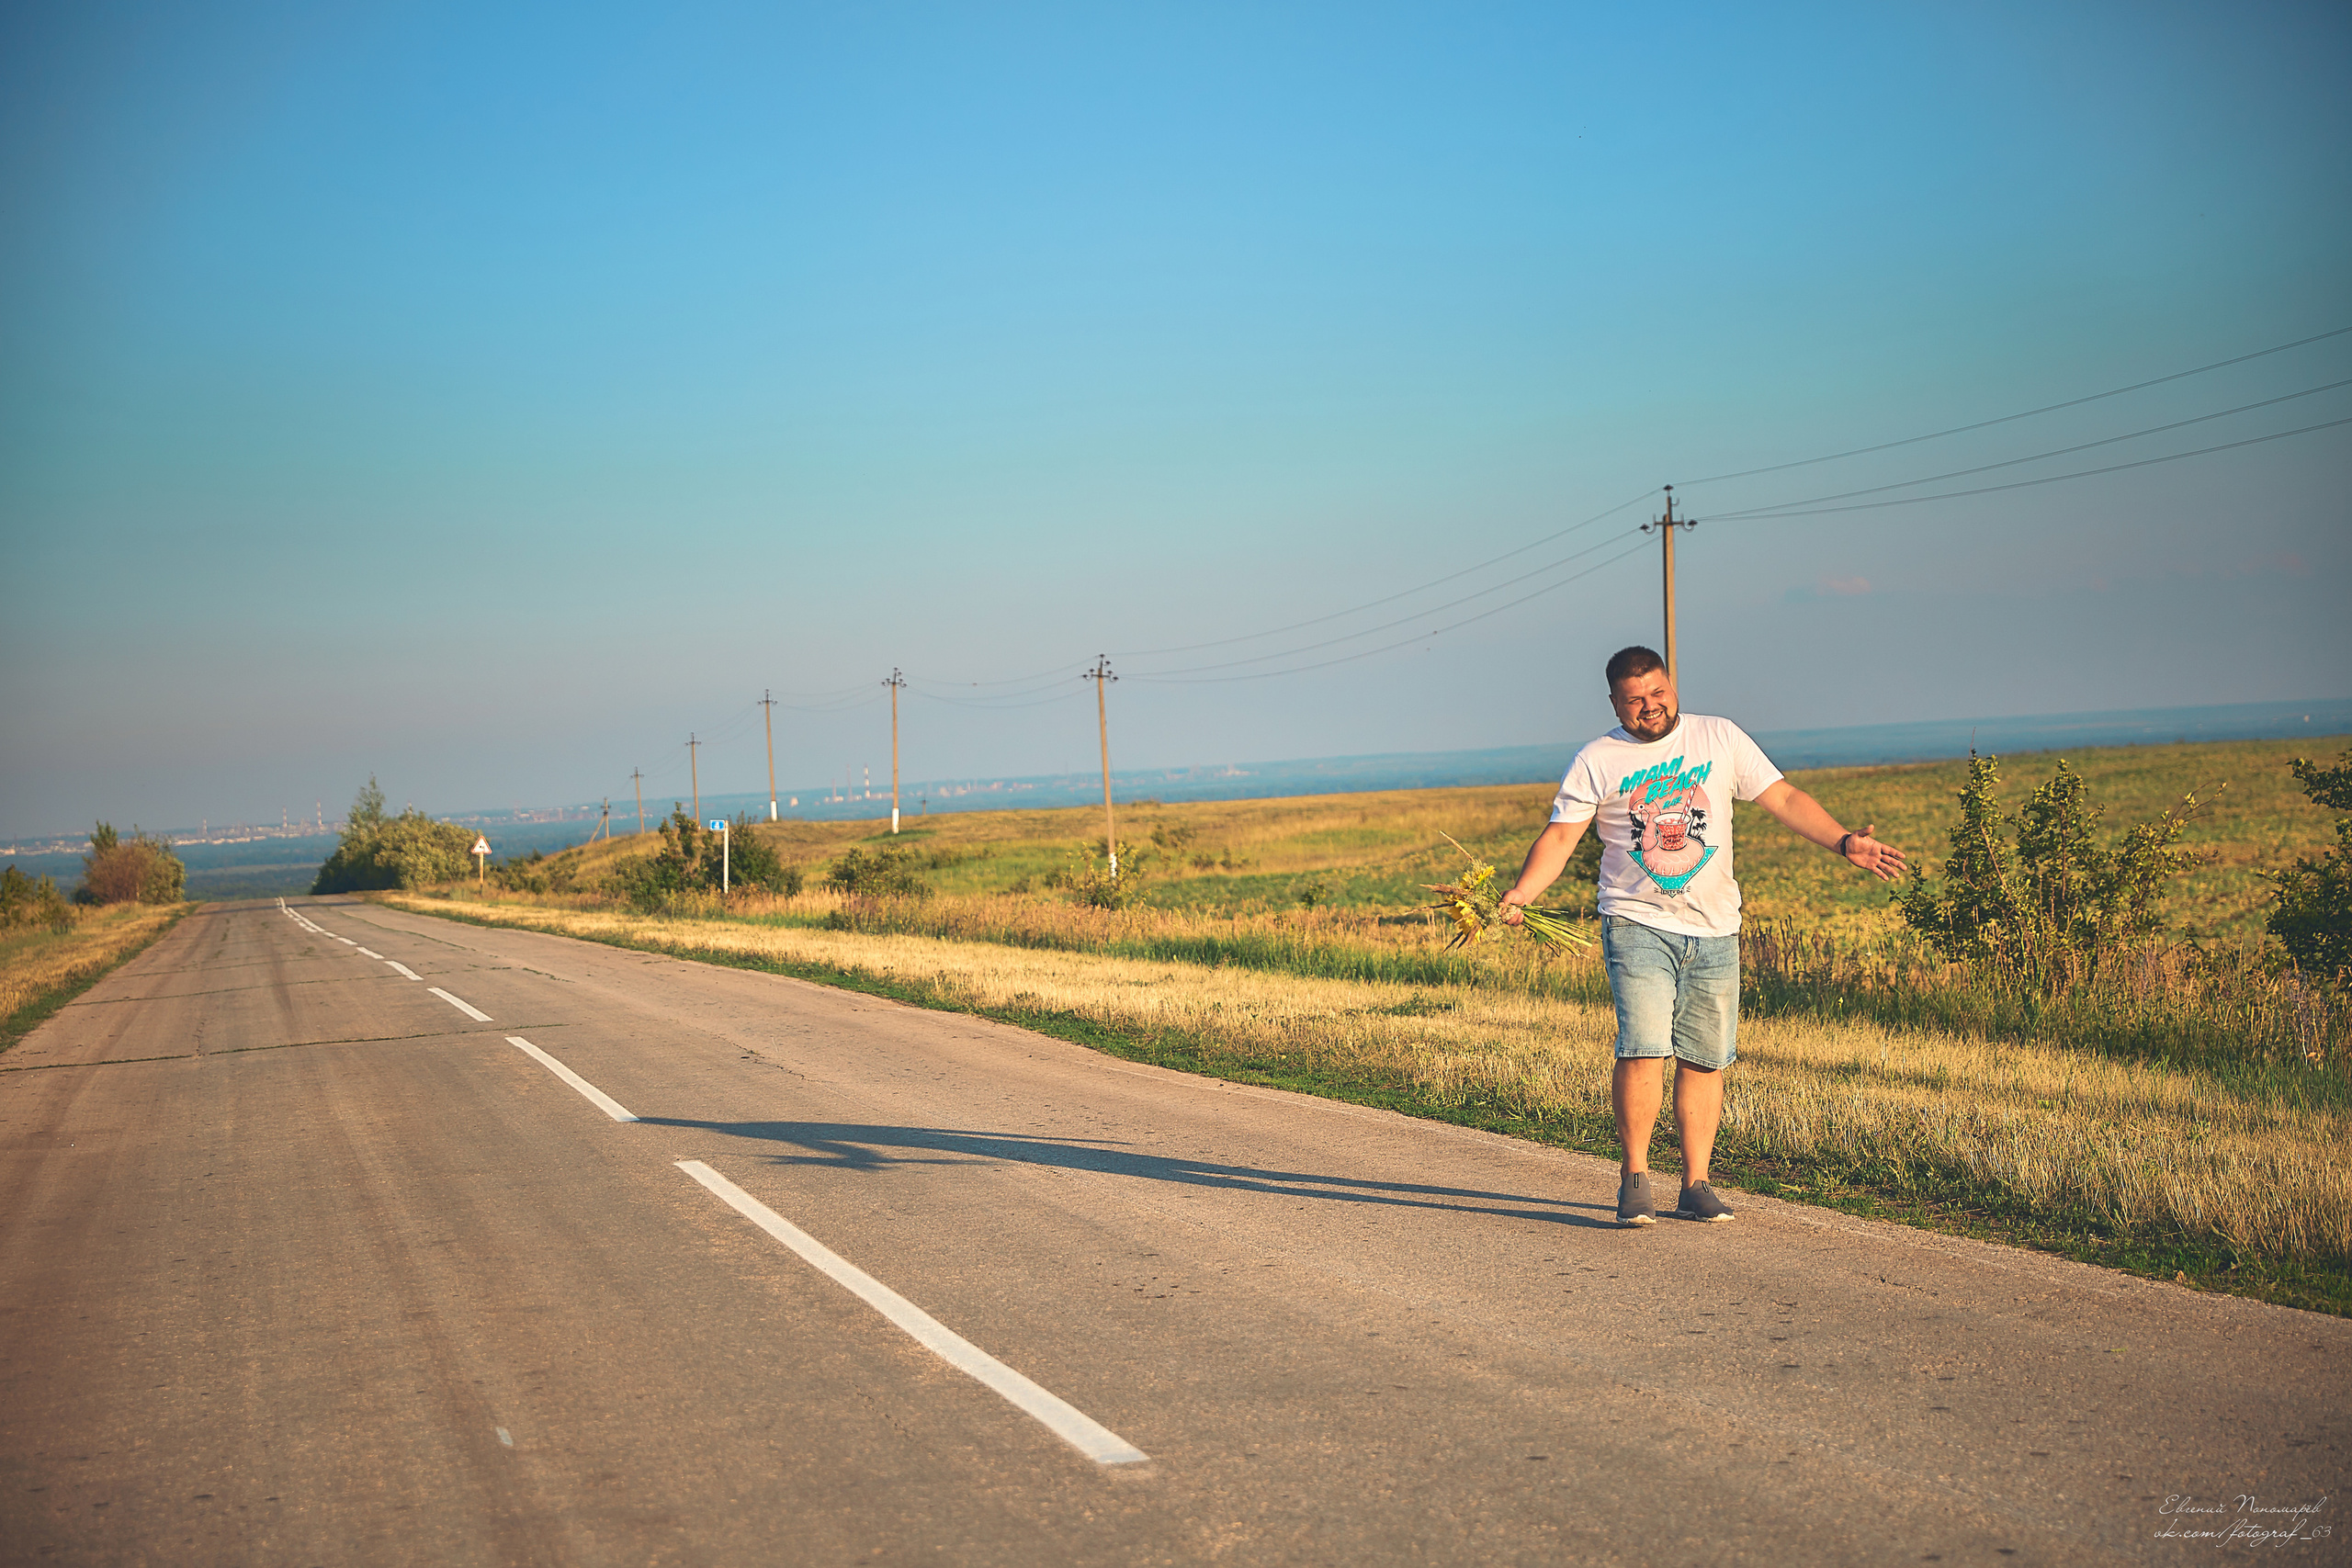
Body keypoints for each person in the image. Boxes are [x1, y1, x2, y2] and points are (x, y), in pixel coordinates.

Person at [1499, 646, 1906, 1227]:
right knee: (1644, 1047)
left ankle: (1696, 1184)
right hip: (1636, 921)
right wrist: (1522, 894)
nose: (1650, 707)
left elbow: (1784, 797)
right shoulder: (1598, 758)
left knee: (1706, 1059)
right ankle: (1635, 1179)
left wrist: (1843, 842)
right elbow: (1561, 838)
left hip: (1716, 927)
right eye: (1635, 699)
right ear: (1615, 702)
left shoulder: (1719, 737)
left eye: (1658, 692)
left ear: (1672, 686)